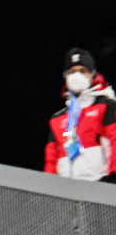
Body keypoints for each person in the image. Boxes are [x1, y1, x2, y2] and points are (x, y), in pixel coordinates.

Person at [45, 48, 113, 181]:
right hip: (66, 190)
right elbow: (51, 160)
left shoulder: (106, 105)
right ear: (66, 76)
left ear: (92, 75)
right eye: (72, 72)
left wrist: (113, 178)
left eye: (82, 71)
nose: (77, 76)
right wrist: (49, 189)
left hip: (100, 186)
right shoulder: (57, 118)